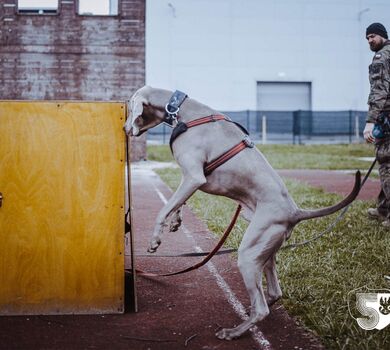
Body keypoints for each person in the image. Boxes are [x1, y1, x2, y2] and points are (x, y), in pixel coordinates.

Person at [363, 22, 390, 227]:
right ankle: (383, 207)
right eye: (367, 38)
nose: (370, 40)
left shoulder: (382, 57)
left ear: (382, 36)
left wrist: (370, 122)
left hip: (386, 117)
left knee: (386, 162)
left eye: (373, 36)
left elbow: (379, 91)